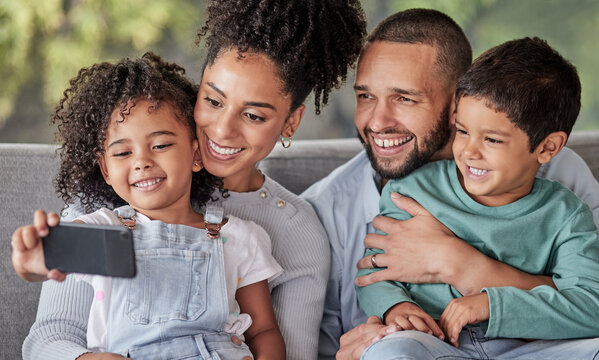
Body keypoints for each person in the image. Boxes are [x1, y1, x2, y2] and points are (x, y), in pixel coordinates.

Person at [18, 1, 367, 359]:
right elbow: (48, 339)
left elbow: (275, 343)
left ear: (291, 122)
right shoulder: (107, 202)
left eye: (253, 115)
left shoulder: (292, 232)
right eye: (213, 100)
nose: (222, 129)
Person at [300, 9, 599, 359]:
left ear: (457, 102)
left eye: (404, 98)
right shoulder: (324, 212)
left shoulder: (559, 180)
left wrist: (463, 265)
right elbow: (366, 292)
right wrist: (393, 313)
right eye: (365, 96)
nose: (377, 121)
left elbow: (589, 300)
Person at [12, 53, 285, 359]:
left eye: (160, 145)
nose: (142, 161)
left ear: (196, 155)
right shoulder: (103, 231)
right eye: (122, 153)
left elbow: (263, 330)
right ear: (105, 170)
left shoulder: (238, 238)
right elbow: (50, 261)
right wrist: (34, 263)